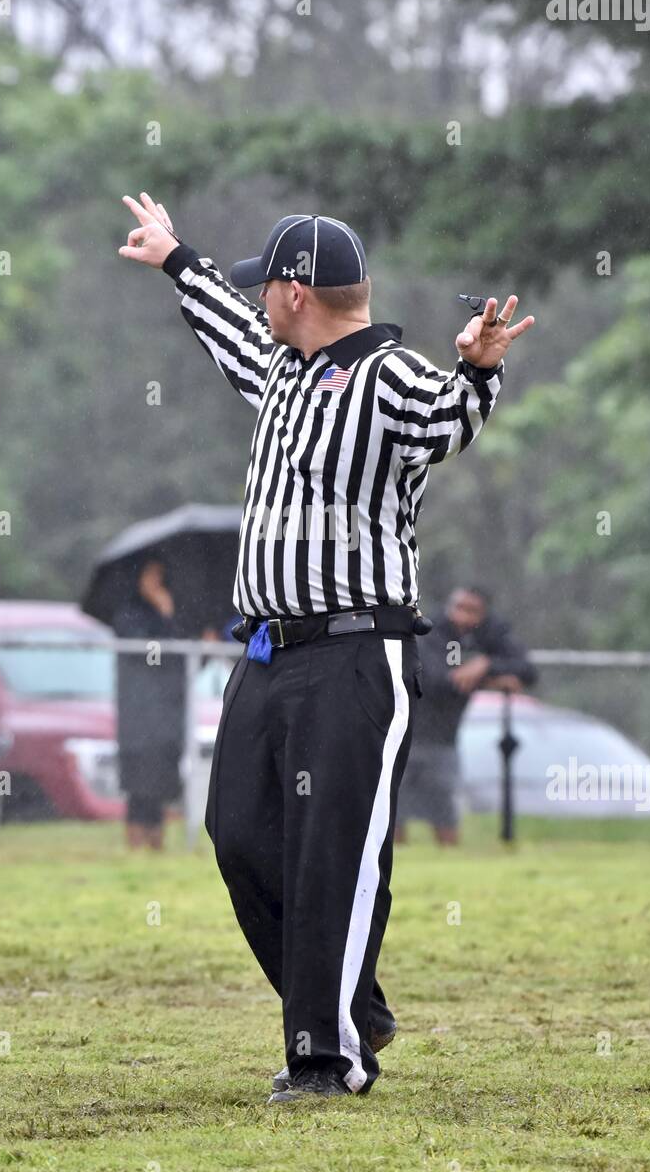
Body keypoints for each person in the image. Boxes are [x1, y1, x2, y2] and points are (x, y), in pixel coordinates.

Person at [119, 193, 535, 1103]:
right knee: (238, 835)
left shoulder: (390, 375)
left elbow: (442, 423)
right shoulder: (280, 369)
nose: (258, 300)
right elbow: (226, 325)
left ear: (297, 292)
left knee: (332, 855)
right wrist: (178, 259)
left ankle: (327, 1056)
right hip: (266, 655)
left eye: (266, 285)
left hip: (354, 656)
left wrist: (476, 374)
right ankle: (356, 1003)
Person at [397, 584, 538, 846]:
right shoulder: (430, 628)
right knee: (395, 808)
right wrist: (492, 681)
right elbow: (436, 682)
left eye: (471, 611)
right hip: (405, 730)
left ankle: (448, 861)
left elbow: (527, 670)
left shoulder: (490, 632)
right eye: (458, 607)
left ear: (482, 615)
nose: (462, 616)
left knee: (444, 809)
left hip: (444, 738)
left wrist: (485, 664)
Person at [112, 558, 183, 851]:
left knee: (160, 778)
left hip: (167, 713)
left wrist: (167, 614)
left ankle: (157, 844)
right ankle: (135, 843)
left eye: (159, 576)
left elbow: (179, 659)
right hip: (138, 713)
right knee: (138, 781)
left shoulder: (174, 612)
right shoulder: (128, 615)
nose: (155, 582)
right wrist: (163, 616)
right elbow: (149, 654)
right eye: (149, 575)